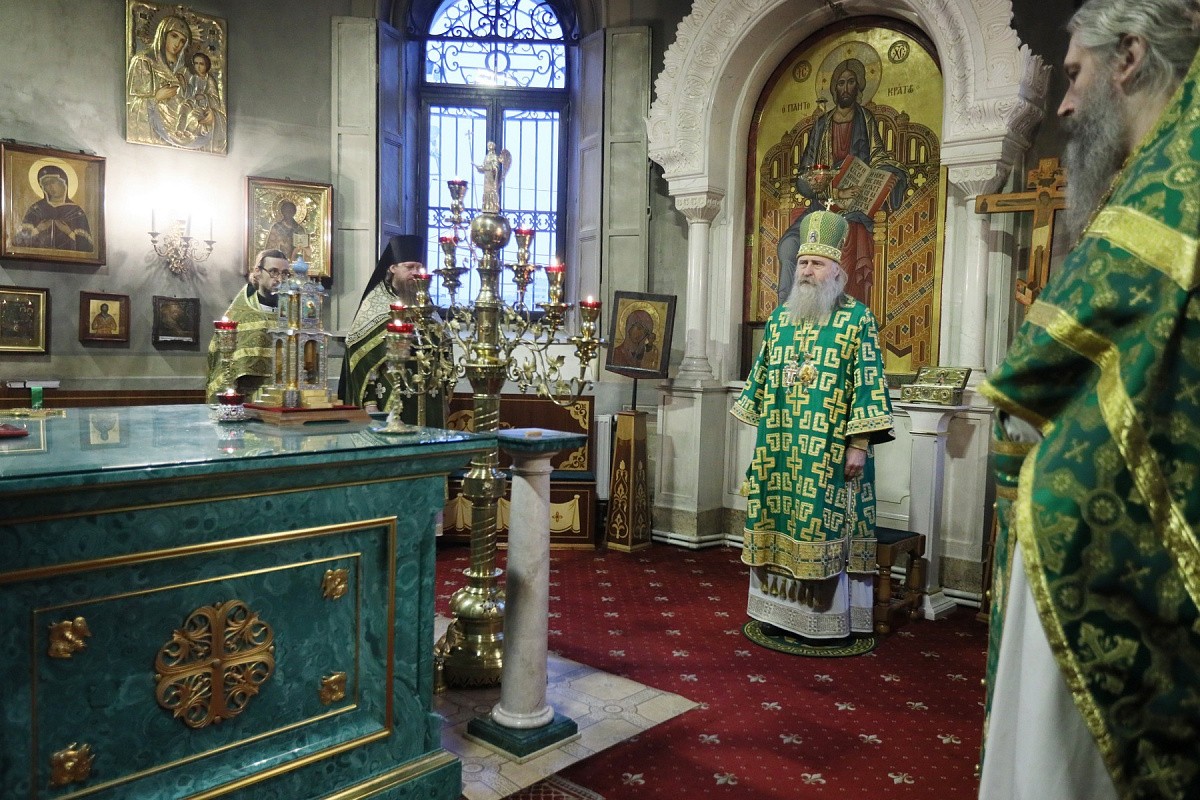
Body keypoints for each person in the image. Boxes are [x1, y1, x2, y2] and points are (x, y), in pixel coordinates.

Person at [977, 2, 1200, 798]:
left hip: (1110, 561)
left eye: (1074, 74)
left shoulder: (1175, 188)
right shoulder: (1152, 180)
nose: (1065, 106)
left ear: (1129, 57)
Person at [732, 208, 894, 641]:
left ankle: (824, 622)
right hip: (780, 448)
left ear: (837, 270)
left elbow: (869, 384)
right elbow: (760, 378)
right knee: (775, 519)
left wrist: (859, 444)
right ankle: (775, 613)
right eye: (803, 262)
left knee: (824, 523)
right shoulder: (780, 319)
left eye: (817, 263)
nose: (806, 271)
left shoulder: (857, 319)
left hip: (829, 452)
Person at [777, 58, 907, 306]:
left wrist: (877, 177)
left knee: (846, 247)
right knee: (788, 247)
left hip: (854, 209)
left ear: (859, 86)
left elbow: (879, 157)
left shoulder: (865, 119)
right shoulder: (822, 125)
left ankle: (841, 310)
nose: (845, 88)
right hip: (821, 207)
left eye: (851, 82)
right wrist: (821, 187)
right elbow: (803, 176)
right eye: (840, 83)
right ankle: (786, 310)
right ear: (833, 88)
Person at [340, 235, 446, 426]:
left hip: (430, 395)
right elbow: (360, 358)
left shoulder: (425, 304)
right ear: (393, 268)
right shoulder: (376, 304)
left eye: (419, 267)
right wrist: (370, 404)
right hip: (390, 397)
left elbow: (443, 345)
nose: (416, 273)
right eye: (410, 267)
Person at [126, 14, 225, 152]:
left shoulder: (187, 71)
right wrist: (156, 98)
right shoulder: (144, 62)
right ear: (163, 34)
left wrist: (212, 116)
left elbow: (198, 98)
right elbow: (132, 105)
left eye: (182, 40)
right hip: (156, 133)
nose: (178, 43)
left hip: (190, 127)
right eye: (174, 36)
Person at [205, 249, 288, 402]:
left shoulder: (293, 314)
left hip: (287, 398)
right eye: (273, 272)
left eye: (285, 273)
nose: (279, 279)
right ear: (258, 272)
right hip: (250, 400)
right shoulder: (239, 314)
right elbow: (223, 364)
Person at [13, 165, 93, 252]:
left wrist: (69, 232)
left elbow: (87, 248)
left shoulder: (76, 211)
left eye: (53, 182)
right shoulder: (36, 209)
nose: (50, 187)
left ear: (64, 183)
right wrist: (38, 229)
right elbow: (18, 242)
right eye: (46, 184)